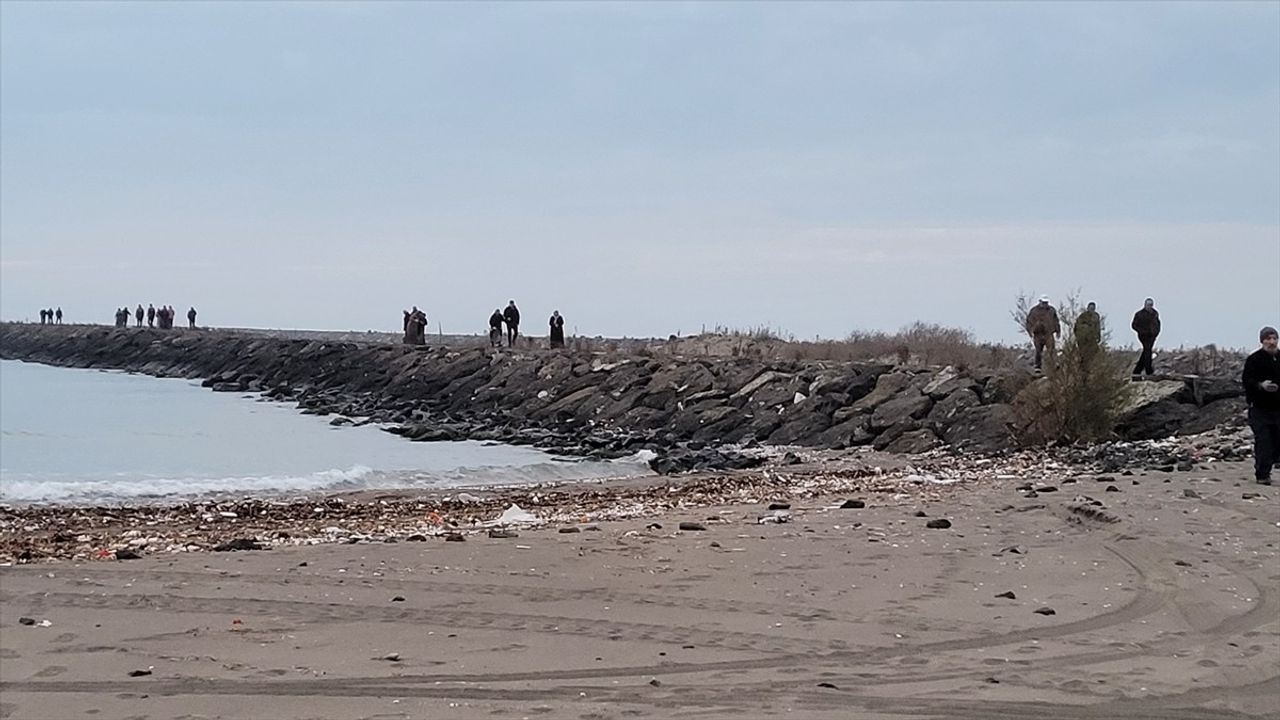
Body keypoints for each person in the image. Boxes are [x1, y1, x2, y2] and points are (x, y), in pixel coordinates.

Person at [1243, 326, 1280, 485]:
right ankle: (1262, 475)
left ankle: (1274, 462)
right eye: (1268, 339)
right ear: (1262, 341)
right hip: (1259, 408)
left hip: (1279, 408)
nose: (1271, 342)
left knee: (1277, 441)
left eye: (1274, 338)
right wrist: (1261, 385)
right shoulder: (1254, 359)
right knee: (1263, 441)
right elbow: (1246, 381)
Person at [1024, 295, 1061, 370]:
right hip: (1038, 335)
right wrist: (1030, 331)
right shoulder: (1034, 311)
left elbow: (1056, 321)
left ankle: (1054, 365)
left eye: (1046, 302)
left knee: (1051, 350)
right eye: (1043, 302)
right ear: (1040, 302)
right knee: (1038, 351)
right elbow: (1028, 322)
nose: (1045, 304)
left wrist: (1058, 331)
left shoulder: (1051, 310)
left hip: (1049, 334)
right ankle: (1038, 367)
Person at [1131, 298, 1161, 377]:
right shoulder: (1139, 314)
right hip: (1143, 336)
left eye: (1151, 305)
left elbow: (1158, 324)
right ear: (1145, 305)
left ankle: (1138, 370)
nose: (1149, 306)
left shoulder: (1155, 313)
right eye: (1148, 305)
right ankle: (1149, 370)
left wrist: (1156, 333)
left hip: (1152, 336)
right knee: (1148, 350)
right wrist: (1141, 331)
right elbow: (1134, 325)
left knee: (1146, 351)